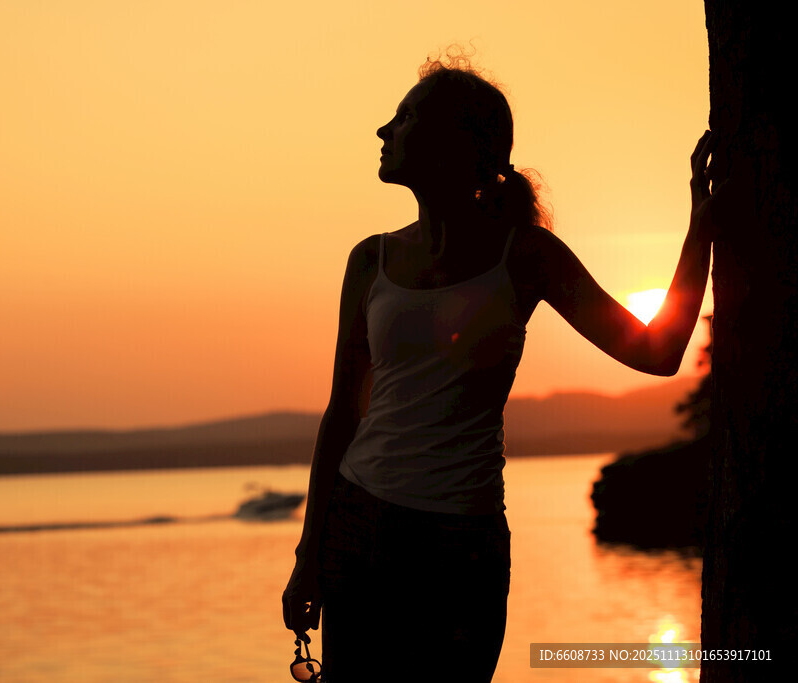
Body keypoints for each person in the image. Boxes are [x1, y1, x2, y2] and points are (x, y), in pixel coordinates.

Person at [282, 50, 717, 682]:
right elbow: (343, 412)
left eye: (402, 119)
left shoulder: (525, 255)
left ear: (449, 143)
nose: (384, 132)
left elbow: (656, 352)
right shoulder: (367, 260)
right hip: (360, 525)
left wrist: (698, 231)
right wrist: (308, 552)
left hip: (463, 542)